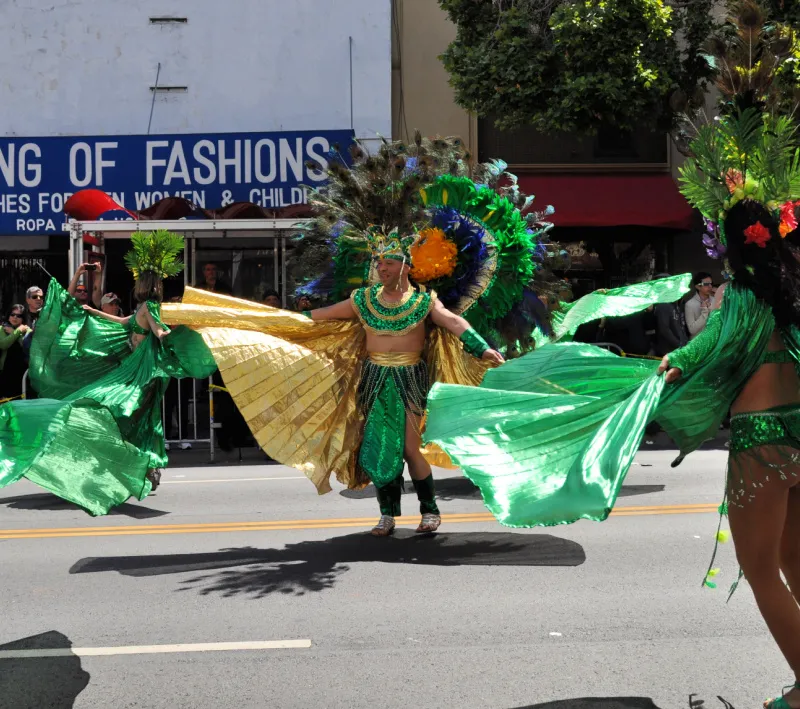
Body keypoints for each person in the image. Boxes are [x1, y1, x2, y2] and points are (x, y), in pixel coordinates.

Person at [423, 102, 800, 708]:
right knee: (794, 560)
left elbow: (706, 350)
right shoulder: (787, 301)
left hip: (761, 440)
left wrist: (661, 370)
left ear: (733, 249)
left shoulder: (742, 302)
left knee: (762, 572)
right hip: (798, 432)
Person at [163, 140, 553, 537]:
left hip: (410, 380)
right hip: (372, 379)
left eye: (387, 262)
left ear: (404, 265)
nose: (380, 268)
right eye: (378, 262)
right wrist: (273, 321)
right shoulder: (361, 300)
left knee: (408, 447)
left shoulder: (423, 300)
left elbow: (453, 322)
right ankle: (386, 514)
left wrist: (482, 347)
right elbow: (315, 319)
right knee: (377, 448)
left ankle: (429, 510)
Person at [0, 230, 217, 514]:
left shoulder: (143, 307)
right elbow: (156, 332)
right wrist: (185, 335)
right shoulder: (150, 307)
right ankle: (134, 467)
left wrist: (94, 310)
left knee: (135, 419)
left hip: (140, 373)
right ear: (157, 286)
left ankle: (143, 468)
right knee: (123, 416)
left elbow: (127, 321)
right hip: (139, 375)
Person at [653, 273, 689, 357]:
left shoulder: (674, 304)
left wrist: (684, 342)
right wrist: (679, 345)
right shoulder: (663, 305)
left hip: (677, 350)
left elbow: (680, 326)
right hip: (669, 352)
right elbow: (664, 330)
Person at [0, 305, 30, 400]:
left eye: (19, 316)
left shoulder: (27, 330)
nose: (15, 317)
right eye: (12, 314)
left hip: (22, 374)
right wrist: (17, 332)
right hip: (5, 372)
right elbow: (3, 344)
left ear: (23, 318)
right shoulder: (2, 329)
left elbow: (27, 346)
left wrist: (15, 332)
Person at [685, 271, 714, 338]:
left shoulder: (715, 300)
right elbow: (692, 330)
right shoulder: (690, 304)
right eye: (706, 284)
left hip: (714, 342)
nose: (710, 286)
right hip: (699, 344)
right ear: (698, 287)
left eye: (711, 283)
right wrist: (705, 312)